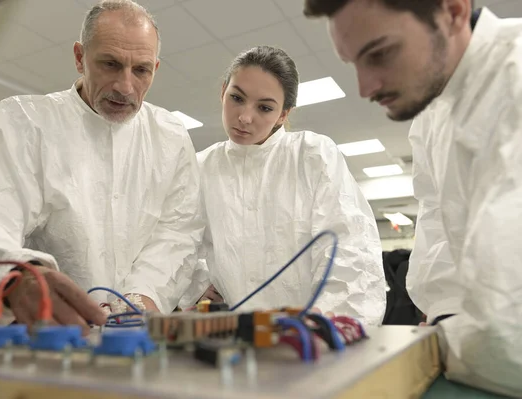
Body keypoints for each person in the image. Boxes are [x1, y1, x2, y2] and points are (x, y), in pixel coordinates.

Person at [0, 0, 204, 335]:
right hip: (42, 333)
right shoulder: (21, 125)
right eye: (110, 64)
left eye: (141, 70)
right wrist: (17, 276)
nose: (125, 86)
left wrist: (141, 296)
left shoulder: (170, 136)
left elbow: (178, 230)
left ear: (155, 67)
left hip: (133, 332)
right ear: (80, 57)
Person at [303, 0, 522, 395]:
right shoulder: (432, 113)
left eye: (381, 53)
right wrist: (443, 315)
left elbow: (510, 318)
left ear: (453, 11)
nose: (365, 87)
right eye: (354, 62)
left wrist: (448, 340)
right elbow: (438, 224)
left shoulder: (515, 78)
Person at [182, 46, 386, 326]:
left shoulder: (313, 155)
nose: (244, 117)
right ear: (223, 92)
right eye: (237, 98)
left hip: (311, 335)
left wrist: (326, 324)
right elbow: (180, 241)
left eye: (264, 107)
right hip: (242, 336)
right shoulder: (201, 167)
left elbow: (348, 249)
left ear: (283, 114)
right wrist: (196, 287)